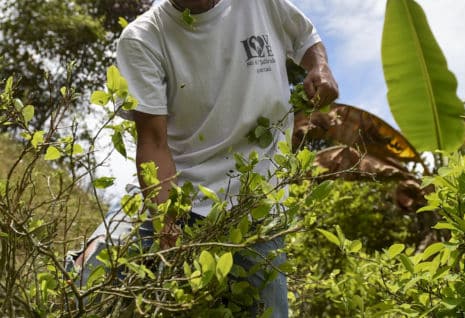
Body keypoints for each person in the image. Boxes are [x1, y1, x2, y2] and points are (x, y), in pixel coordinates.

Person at [70, 0, 338, 316]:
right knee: (87, 289)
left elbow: (305, 36)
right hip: (176, 191)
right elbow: (154, 142)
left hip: (255, 208)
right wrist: (166, 219)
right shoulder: (143, 37)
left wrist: (319, 66)